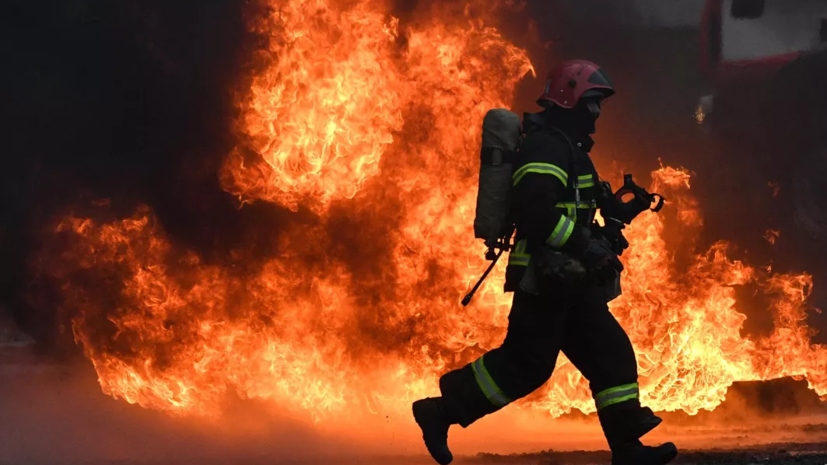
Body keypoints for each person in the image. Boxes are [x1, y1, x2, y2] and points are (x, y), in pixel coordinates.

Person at [412, 60, 678, 465]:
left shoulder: (570, 150)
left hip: (570, 283)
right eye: (591, 103)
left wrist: (615, 215)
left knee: (611, 355)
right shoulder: (547, 146)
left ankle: (628, 450)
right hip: (546, 280)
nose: (596, 113)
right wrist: (586, 247)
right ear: (569, 98)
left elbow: (578, 205)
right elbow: (535, 212)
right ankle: (440, 411)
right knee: (525, 365)